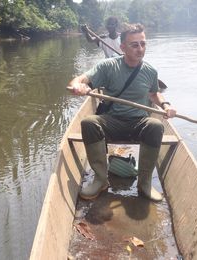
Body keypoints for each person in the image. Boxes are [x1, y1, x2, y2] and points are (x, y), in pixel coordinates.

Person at [67, 23, 176, 202]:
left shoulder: (150, 71)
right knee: (89, 123)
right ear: (122, 47)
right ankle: (101, 180)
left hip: (139, 122)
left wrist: (166, 106)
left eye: (143, 44)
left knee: (156, 125)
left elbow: (154, 94)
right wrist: (77, 85)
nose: (140, 49)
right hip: (113, 121)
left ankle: (145, 184)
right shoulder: (108, 66)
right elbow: (81, 79)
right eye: (134, 45)